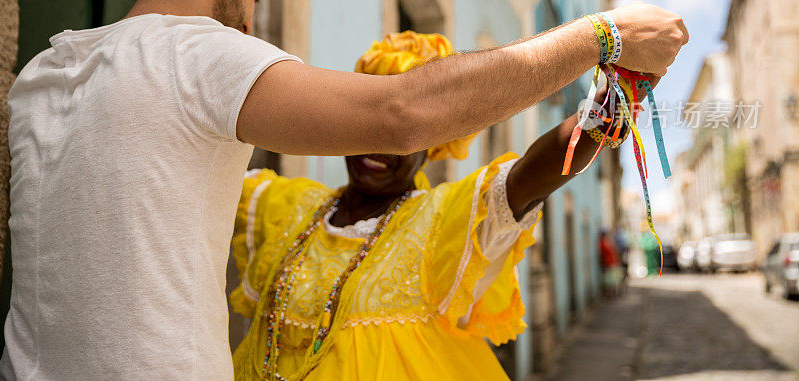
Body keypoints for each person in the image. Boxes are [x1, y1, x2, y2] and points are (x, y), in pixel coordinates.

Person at [0, 0, 687, 380]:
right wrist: (607, 34)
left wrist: (615, 104)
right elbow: (403, 110)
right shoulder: (207, 61)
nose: (251, 23)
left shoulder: (42, 75)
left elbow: (536, 168)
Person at [230, 31, 655, 380]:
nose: (378, 144)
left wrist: (613, 103)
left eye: (397, 131)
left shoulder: (443, 220)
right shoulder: (285, 205)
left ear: (430, 148)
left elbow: (530, 177)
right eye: (369, 123)